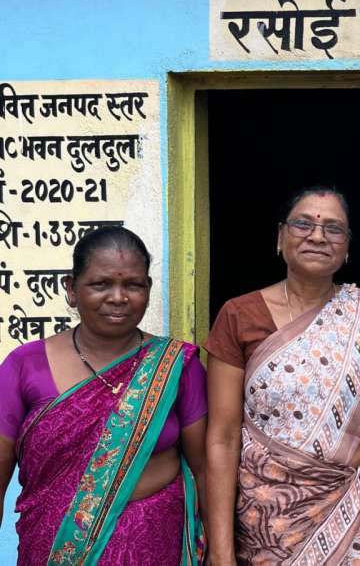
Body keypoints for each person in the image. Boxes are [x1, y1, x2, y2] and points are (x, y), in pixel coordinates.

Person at [204, 186, 360, 566]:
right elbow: (222, 438)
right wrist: (221, 550)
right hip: (264, 523)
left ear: (347, 247)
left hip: (348, 516)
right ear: (280, 237)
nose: (317, 236)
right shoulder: (239, 315)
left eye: (333, 228)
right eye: (303, 224)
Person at [0, 226, 207, 565]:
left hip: (156, 550)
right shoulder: (24, 366)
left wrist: (220, 549)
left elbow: (207, 470)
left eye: (133, 285)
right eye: (100, 284)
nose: (118, 298)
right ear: (71, 288)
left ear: (148, 288)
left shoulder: (175, 367)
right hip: (54, 554)